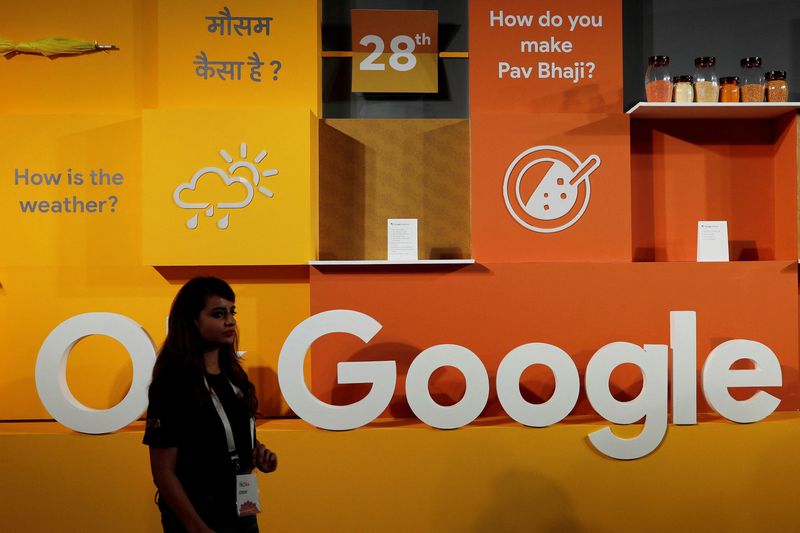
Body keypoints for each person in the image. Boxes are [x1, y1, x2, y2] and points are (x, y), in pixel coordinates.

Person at [143, 277, 278, 533]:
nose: (230, 321)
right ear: (192, 321)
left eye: (231, 312)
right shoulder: (172, 385)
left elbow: (221, 435)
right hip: (199, 515)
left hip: (243, 507)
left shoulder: (235, 378)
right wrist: (197, 528)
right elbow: (162, 472)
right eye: (218, 314)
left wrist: (258, 452)